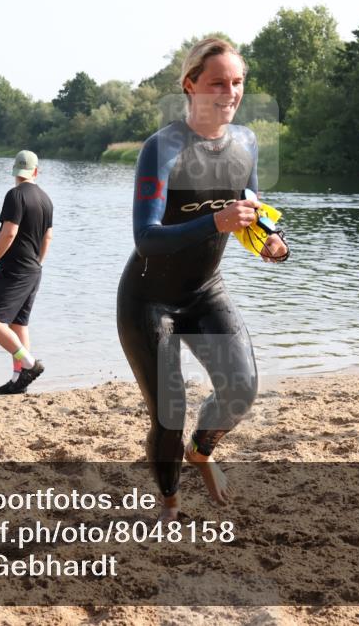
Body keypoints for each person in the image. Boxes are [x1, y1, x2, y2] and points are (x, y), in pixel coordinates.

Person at [116, 38, 288, 521]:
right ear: (191, 84)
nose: (229, 93)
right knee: (168, 415)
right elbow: (147, 238)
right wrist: (216, 221)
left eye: (237, 83)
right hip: (149, 300)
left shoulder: (247, 143)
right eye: (218, 83)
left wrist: (271, 236)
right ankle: (169, 503)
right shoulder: (162, 148)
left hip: (205, 291)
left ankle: (202, 452)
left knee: (241, 388)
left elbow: (249, 207)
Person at [0, 150, 53, 395]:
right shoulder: (46, 199)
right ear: (35, 171)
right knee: (19, 324)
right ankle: (18, 380)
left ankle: (29, 364)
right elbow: (48, 237)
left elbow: (9, 232)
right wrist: (37, 262)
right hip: (33, 270)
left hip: (15, 269)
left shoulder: (15, 196)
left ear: (15, 171)